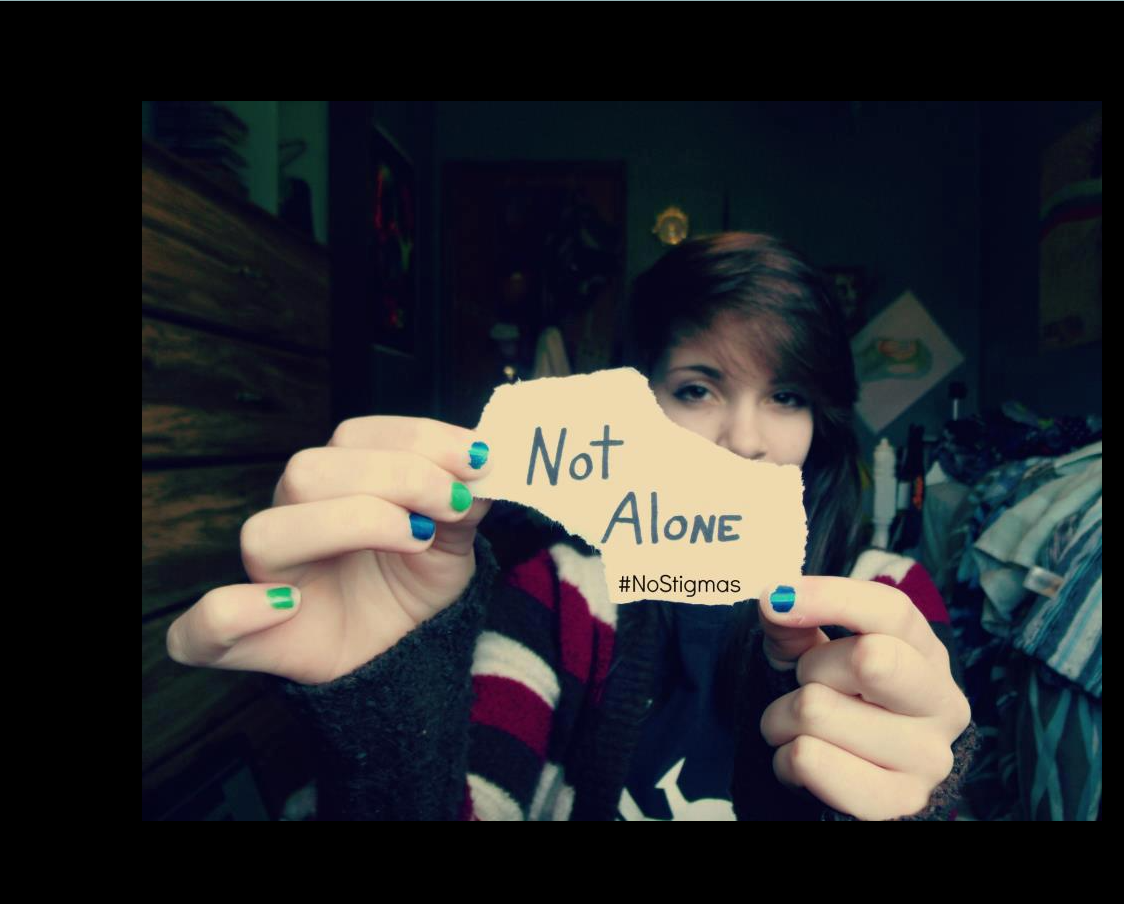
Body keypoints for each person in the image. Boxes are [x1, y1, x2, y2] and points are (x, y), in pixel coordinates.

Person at [165, 233, 977, 820]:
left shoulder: (886, 596)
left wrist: (921, 796)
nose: (746, 439)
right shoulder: (562, 594)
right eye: (697, 390)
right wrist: (392, 712)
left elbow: (926, 765)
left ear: (822, 421)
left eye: (786, 396)